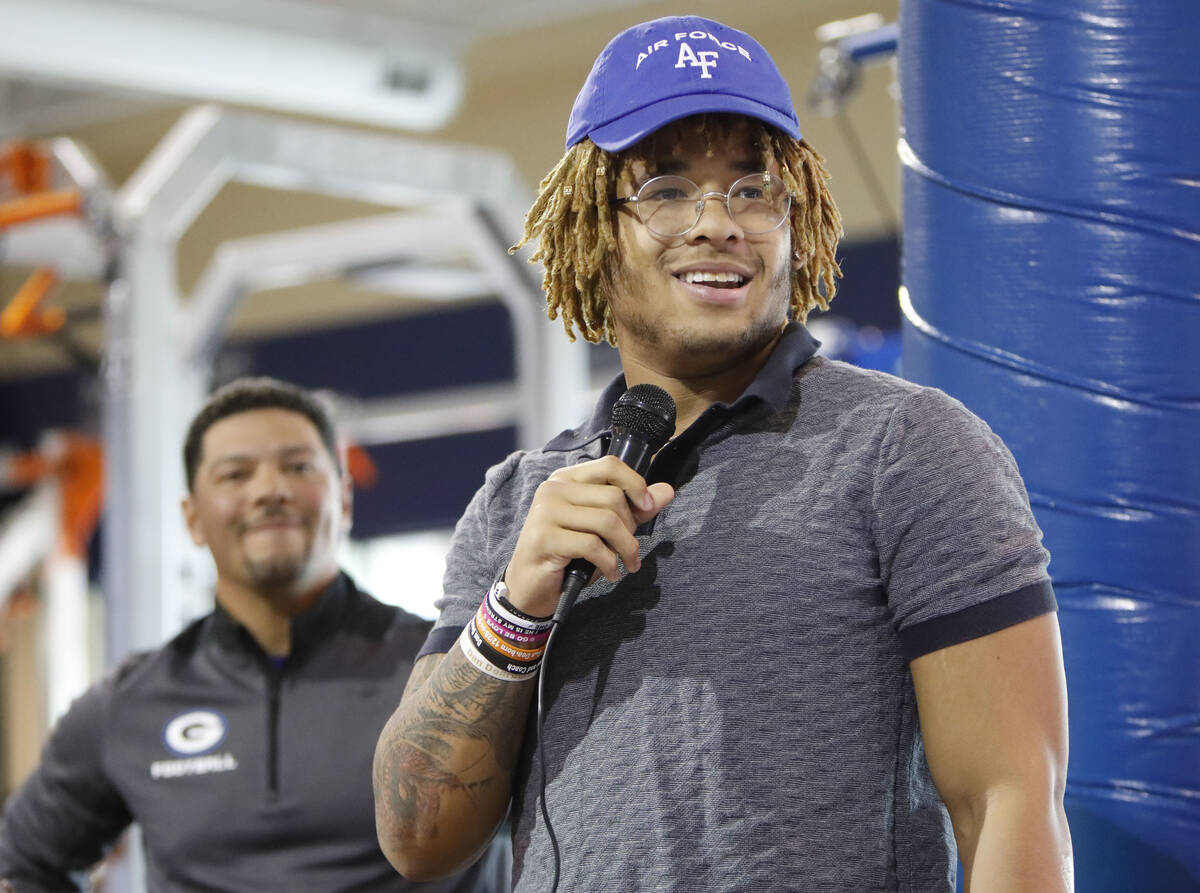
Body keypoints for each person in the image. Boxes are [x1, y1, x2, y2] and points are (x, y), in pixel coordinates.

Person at [373, 14, 1072, 893]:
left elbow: (1011, 800)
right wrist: (514, 609)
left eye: (752, 188)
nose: (718, 223)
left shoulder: (907, 448)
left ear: (796, 215)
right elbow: (416, 835)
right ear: (595, 226)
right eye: (666, 189)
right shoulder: (519, 503)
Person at [0, 378, 509, 892]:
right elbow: (22, 865)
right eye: (235, 474)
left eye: (298, 467)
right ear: (193, 519)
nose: (270, 490)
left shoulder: (448, 674)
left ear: (345, 499)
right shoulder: (129, 703)